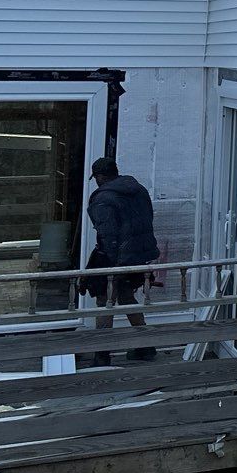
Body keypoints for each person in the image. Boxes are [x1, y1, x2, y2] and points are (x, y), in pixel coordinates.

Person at [83, 156, 161, 364]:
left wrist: (110, 262)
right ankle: (146, 347)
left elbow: (108, 234)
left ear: (100, 176)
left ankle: (102, 355)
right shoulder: (139, 190)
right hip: (138, 256)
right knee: (127, 299)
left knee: (105, 302)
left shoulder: (103, 198)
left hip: (115, 258)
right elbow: (147, 220)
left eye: (96, 177)